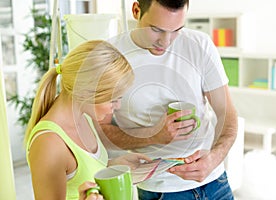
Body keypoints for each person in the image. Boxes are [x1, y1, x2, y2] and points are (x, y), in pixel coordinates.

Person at [100, 0, 238, 199]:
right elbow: (101, 130)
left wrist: (215, 157)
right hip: (162, 190)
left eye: (177, 30)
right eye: (156, 29)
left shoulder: (200, 44)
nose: (166, 42)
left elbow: (227, 113)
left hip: (215, 182)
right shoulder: (110, 56)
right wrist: (153, 135)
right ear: (136, 10)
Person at [24, 40, 151, 200]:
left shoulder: (85, 117)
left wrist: (113, 166)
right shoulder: (49, 143)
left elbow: (81, 174)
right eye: (113, 99)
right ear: (87, 91)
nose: (117, 106)